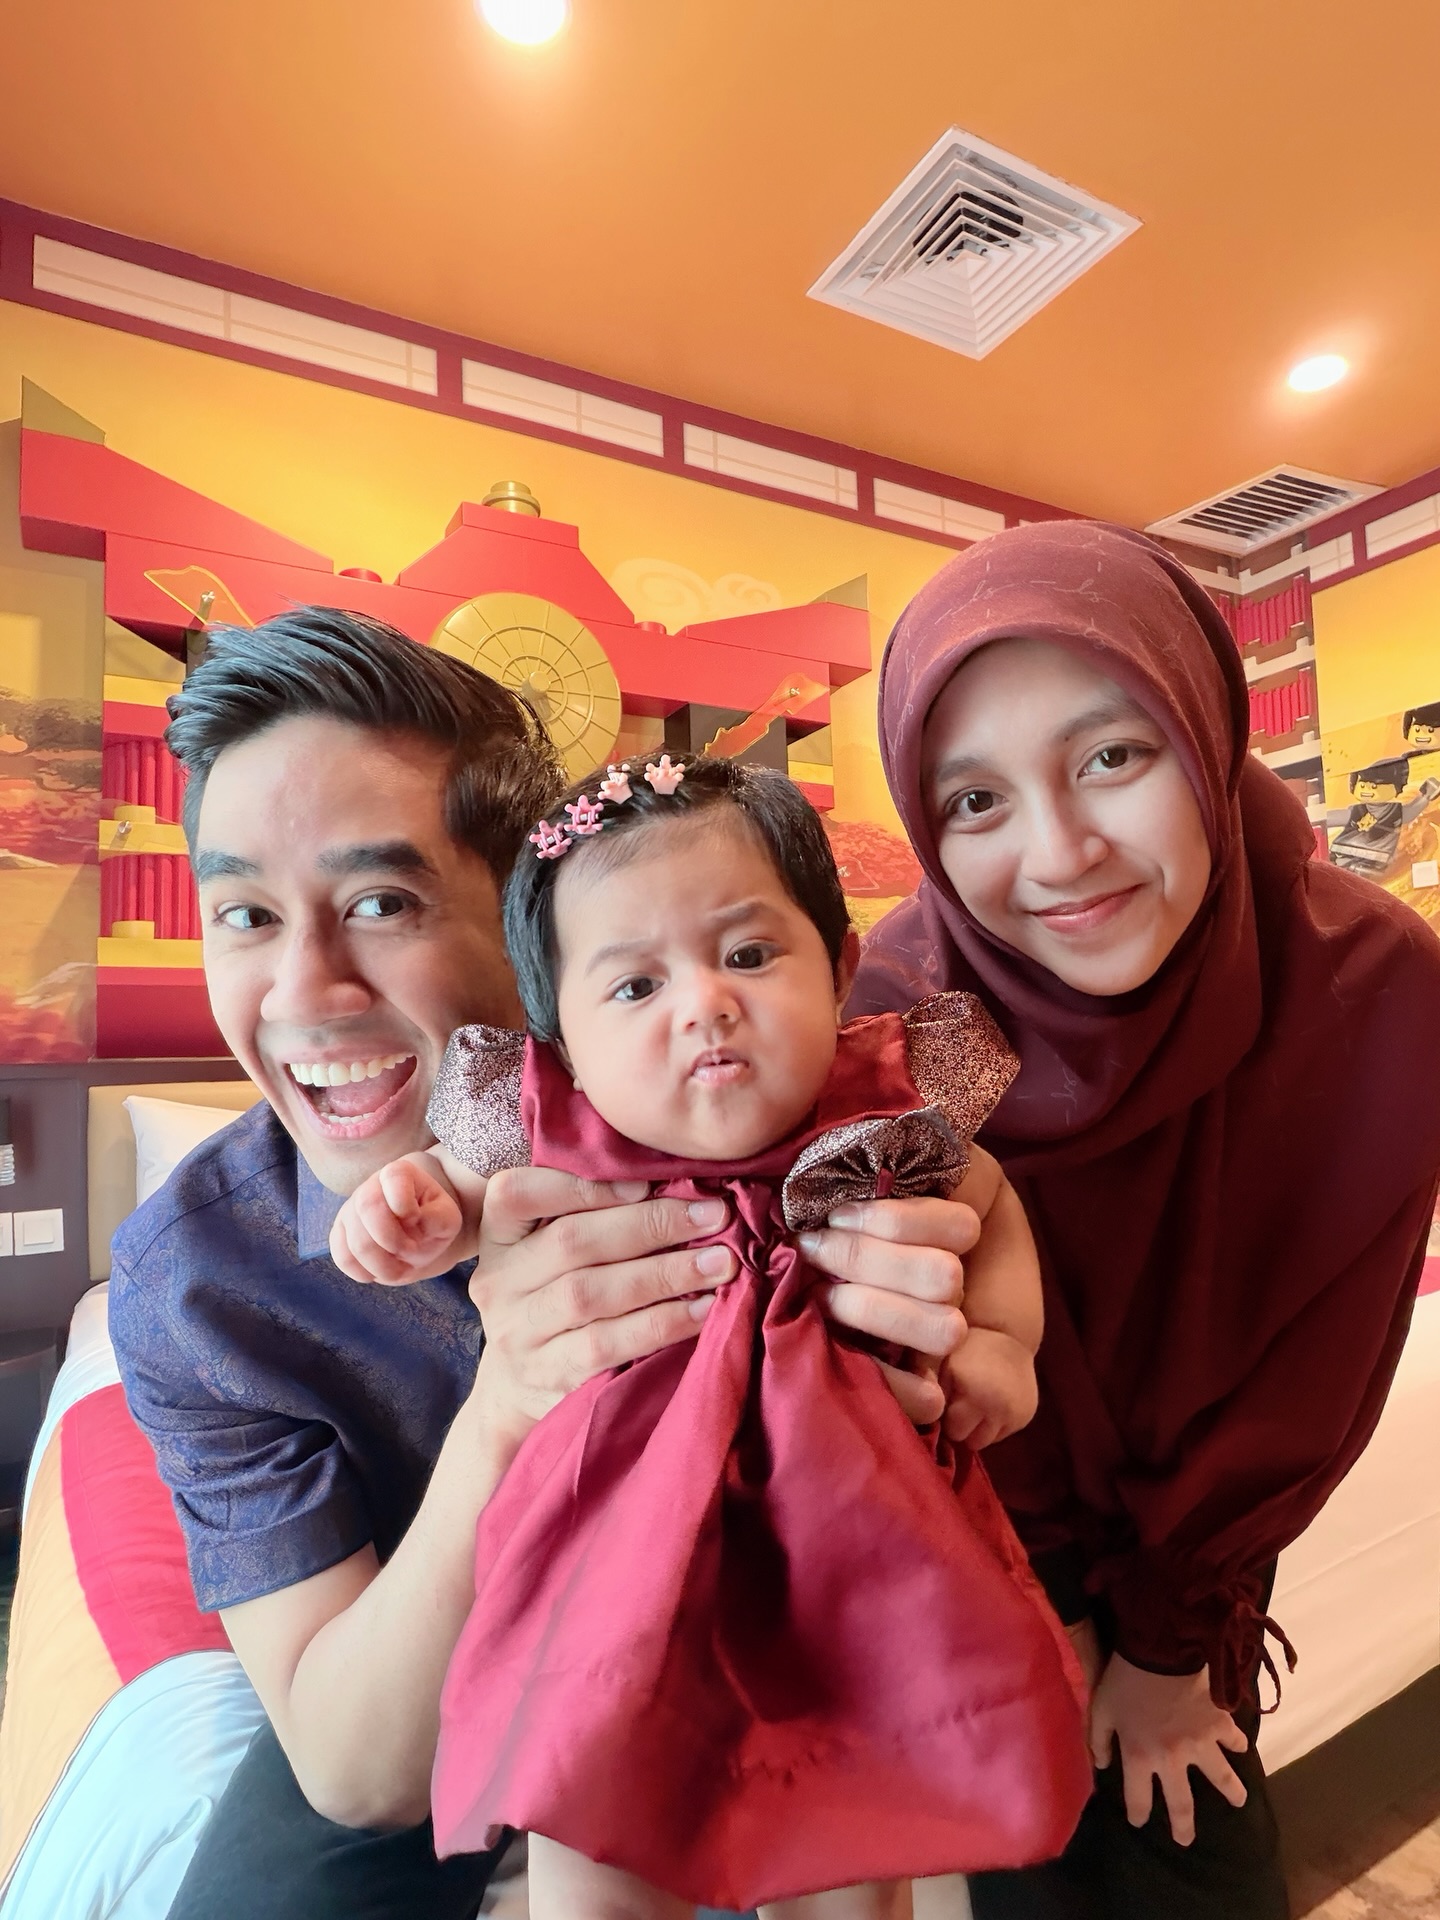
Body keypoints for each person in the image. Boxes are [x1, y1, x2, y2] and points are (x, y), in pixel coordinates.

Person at [108, 609, 991, 1920]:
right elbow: (354, 1768)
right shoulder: (198, 1283)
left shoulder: (733, 1087)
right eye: (244, 914)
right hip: (416, 1654)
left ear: (530, 925)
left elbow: (972, 1206)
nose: (305, 989)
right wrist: (507, 1409)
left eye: (382, 903)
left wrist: (975, 1349)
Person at [333, 752, 1090, 1917]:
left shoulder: (886, 1105)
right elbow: (459, 1190)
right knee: (597, 1819)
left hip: (856, 1540)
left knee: (854, 1836)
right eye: (635, 985)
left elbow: (989, 1205)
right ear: (561, 1039)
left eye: (746, 955)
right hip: (614, 1555)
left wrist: (999, 1349)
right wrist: (410, 1207)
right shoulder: (555, 1128)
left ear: (840, 968)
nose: (703, 1004)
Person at [850, 520, 1440, 1920]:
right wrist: (1046, 1612)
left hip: (1215, 1560)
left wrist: (1172, 1653)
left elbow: (1309, 1374)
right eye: (974, 800)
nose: (1061, 854)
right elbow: (923, 1348)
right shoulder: (910, 1011)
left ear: (1206, 734)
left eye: (1114, 756)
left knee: (1194, 1854)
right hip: (991, 1552)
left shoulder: (1367, 987)